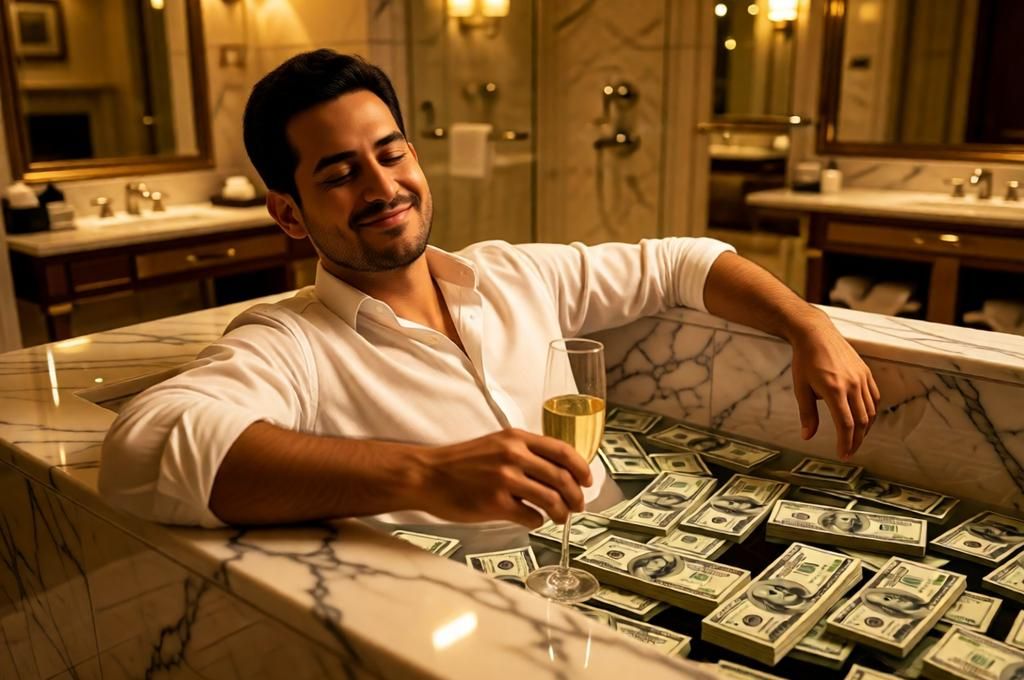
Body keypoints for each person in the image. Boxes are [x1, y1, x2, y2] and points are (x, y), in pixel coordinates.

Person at [98, 50, 880, 529]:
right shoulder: (291, 341)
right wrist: (426, 474)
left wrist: (808, 325)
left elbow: (682, 261)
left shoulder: (513, 273)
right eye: (339, 173)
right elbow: (144, 450)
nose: (382, 186)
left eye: (390, 152)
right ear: (287, 213)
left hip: (615, 553)